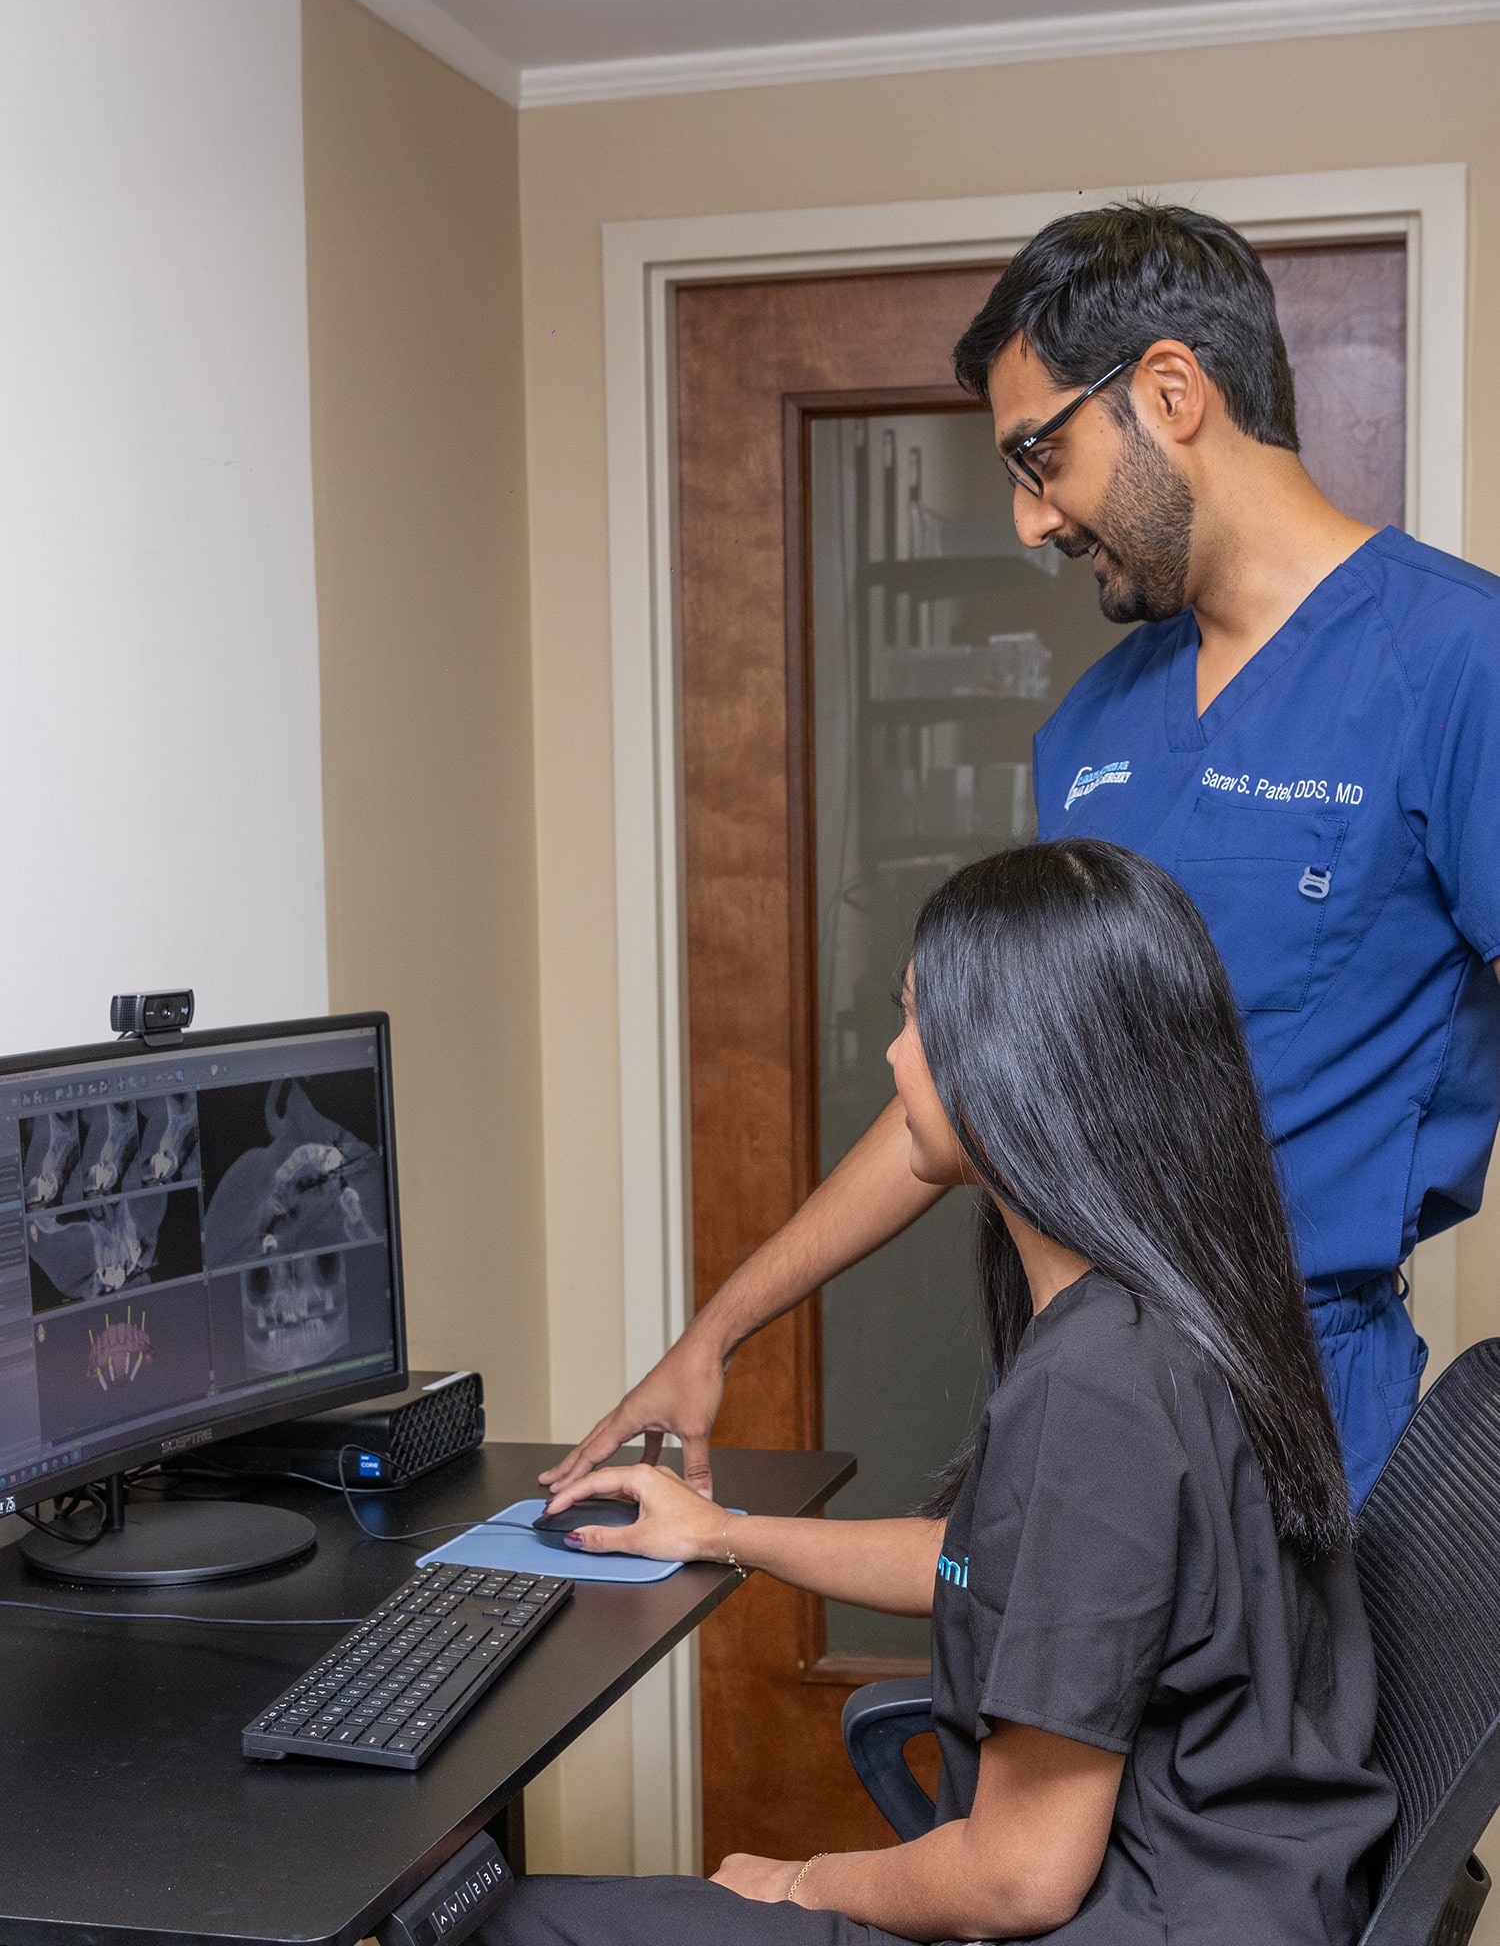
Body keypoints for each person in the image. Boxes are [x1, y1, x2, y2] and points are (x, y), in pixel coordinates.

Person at [544, 202, 1500, 1513]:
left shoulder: (1458, 666)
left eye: (1040, 453)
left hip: (1304, 1405)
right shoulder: (1097, 726)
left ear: (1168, 392)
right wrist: (715, 1332)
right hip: (1078, 1376)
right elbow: (976, 1092)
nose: (1029, 520)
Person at [502, 841, 1396, 1946]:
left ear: (1022, 1061)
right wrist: (725, 1529)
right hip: (1245, 1888)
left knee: (515, 1919)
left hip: (1150, 1916)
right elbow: (1002, 1568)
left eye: (924, 1023)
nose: (893, 1055)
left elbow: (1020, 1875)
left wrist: (804, 1880)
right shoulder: (1186, 1302)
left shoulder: (1102, 1386)